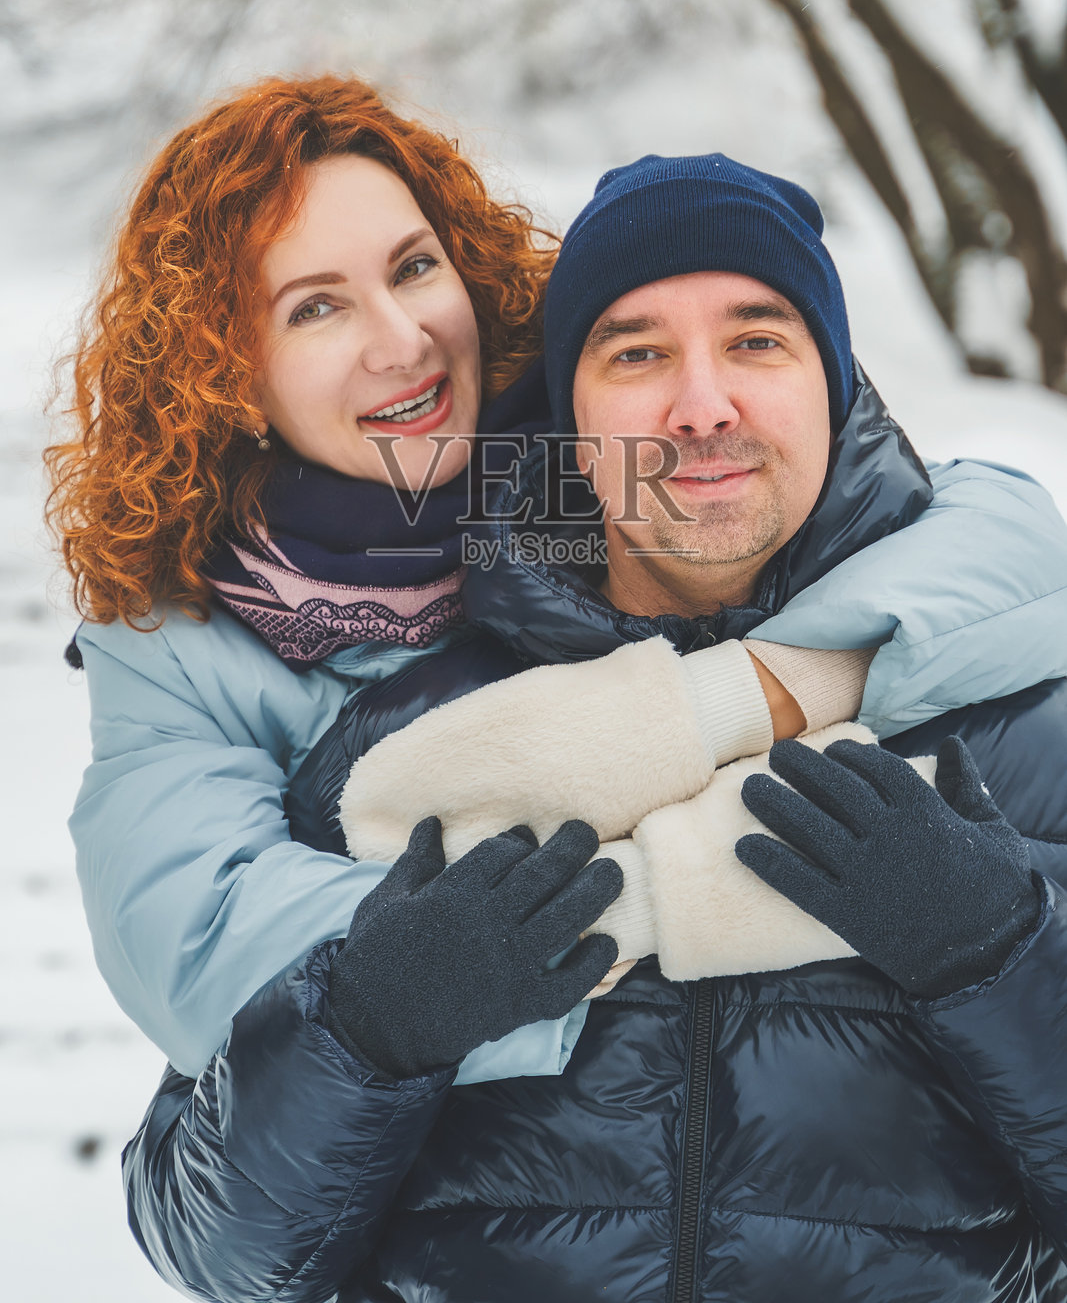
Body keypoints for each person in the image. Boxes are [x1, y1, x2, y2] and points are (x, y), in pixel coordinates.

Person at [122, 153, 1067, 1302]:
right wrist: (367, 1029)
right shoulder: (403, 754)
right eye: (637, 354)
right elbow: (216, 1249)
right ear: (572, 419)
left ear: (832, 382)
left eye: (755, 340)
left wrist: (1006, 956)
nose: (702, 404)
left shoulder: (1018, 735)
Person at [56, 75, 991, 1088]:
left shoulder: (609, 455)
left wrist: (777, 682)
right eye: (315, 307)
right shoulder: (179, 644)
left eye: (414, 268)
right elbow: (204, 957)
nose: (400, 340)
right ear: (224, 371)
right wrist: (628, 906)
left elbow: (974, 529)